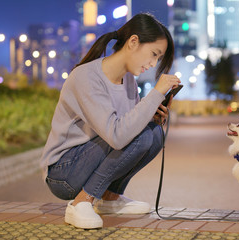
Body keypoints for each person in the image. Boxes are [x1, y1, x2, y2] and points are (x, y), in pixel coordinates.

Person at [39, 13, 181, 229]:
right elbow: (117, 136)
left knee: (153, 134)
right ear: (133, 42)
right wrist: (155, 93)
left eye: (158, 59)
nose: (153, 64)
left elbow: (129, 128)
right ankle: (81, 203)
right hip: (64, 172)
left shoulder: (129, 81)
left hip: (87, 161)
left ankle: (110, 198)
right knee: (141, 136)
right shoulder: (86, 77)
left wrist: (152, 114)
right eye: (153, 54)